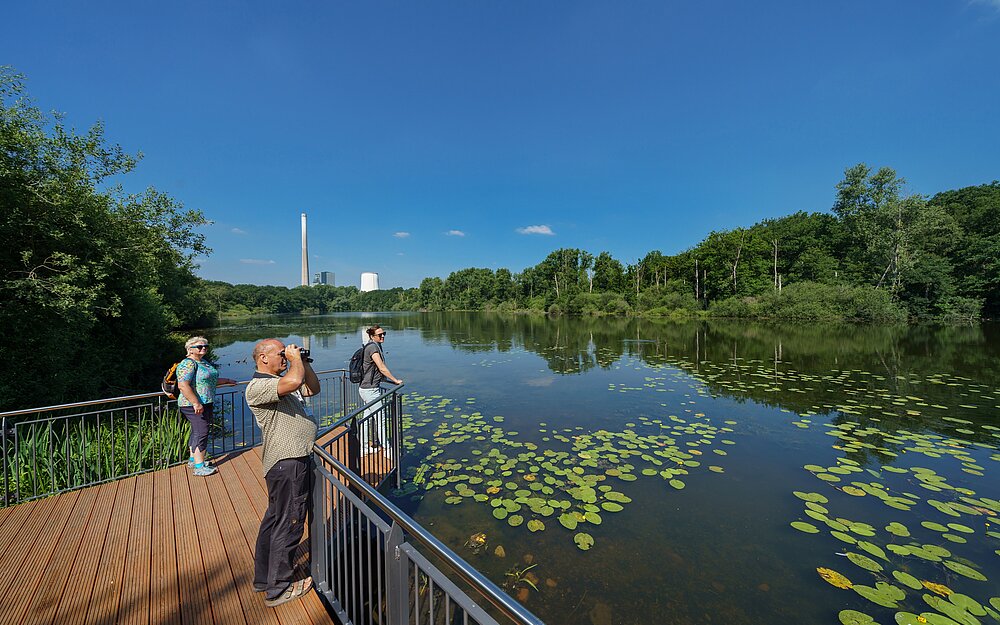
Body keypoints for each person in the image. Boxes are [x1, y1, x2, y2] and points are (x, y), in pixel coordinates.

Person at [245, 339, 319, 608]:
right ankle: (278, 588)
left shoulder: (280, 381)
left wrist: (304, 361)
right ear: (263, 358)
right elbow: (295, 382)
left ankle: (264, 578)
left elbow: (312, 387)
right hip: (288, 463)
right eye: (280, 354)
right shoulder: (258, 386)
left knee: (275, 520)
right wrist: (296, 361)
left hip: (288, 462)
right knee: (290, 523)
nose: (286, 357)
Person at [176, 336, 237, 477]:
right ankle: (199, 467)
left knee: (198, 431)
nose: (203, 348)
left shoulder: (203, 362)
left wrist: (227, 381)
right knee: (201, 432)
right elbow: (183, 385)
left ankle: (193, 460)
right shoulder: (187, 364)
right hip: (192, 404)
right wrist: (195, 402)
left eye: (206, 346)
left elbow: (209, 381)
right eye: (199, 346)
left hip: (205, 402)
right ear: (190, 349)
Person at [359, 325, 403, 454]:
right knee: (380, 419)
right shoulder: (373, 347)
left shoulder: (374, 345)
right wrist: (395, 380)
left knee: (367, 417)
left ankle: (364, 447)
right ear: (372, 336)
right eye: (380, 335)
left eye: (384, 333)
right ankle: (387, 448)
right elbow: (382, 367)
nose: (382, 336)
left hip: (367, 387)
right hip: (370, 389)